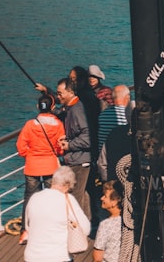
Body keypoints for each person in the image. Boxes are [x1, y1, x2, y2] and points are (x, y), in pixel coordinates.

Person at [16, 92, 66, 244]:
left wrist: (29, 154)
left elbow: (20, 147)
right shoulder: (58, 124)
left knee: (30, 199)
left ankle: (26, 231)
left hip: (32, 166)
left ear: (38, 107)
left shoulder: (30, 125)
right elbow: (61, 148)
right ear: (52, 107)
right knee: (54, 199)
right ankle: (53, 228)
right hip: (51, 165)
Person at [23, 166, 88, 262]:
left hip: (32, 256)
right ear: (67, 185)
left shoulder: (34, 197)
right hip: (58, 256)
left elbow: (27, 226)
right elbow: (85, 228)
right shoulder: (67, 199)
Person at [56, 77, 93, 221]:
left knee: (74, 196)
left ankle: (76, 228)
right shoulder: (73, 108)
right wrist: (67, 137)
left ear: (70, 92)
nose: (58, 96)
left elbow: (87, 137)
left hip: (79, 160)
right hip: (79, 158)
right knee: (82, 195)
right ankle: (85, 224)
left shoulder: (77, 110)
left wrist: (69, 145)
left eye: (60, 93)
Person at [92, 180, 123, 262]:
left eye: (105, 196)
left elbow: (97, 257)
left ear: (114, 202)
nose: (101, 198)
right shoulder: (128, 221)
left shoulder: (105, 225)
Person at [96, 85, 131, 151]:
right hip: (120, 157)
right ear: (127, 97)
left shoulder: (103, 115)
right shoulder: (126, 115)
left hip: (103, 156)